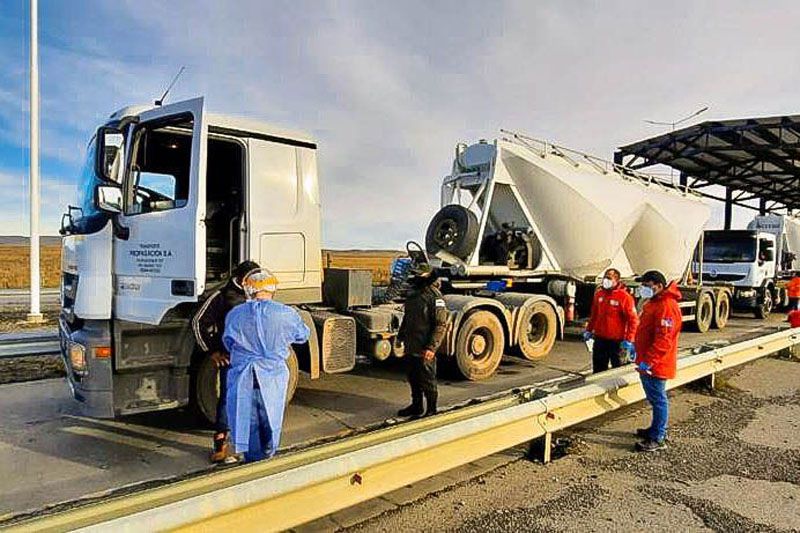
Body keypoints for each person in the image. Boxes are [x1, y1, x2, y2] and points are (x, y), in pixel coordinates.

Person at [222, 268, 310, 463]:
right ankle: (267, 455)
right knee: (270, 416)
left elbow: (228, 342)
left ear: (248, 290)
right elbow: (302, 336)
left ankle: (252, 458)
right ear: (273, 289)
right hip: (272, 375)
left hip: (243, 373)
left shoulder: (235, 314)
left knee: (246, 417)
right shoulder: (287, 313)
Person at [192, 259, 260, 463]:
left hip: (254, 358)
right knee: (228, 400)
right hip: (231, 358)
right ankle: (221, 444)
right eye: (252, 278)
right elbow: (198, 322)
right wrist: (213, 351)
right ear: (241, 278)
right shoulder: (222, 296)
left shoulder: (258, 296)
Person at [633, 270, 682, 452]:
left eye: (647, 286)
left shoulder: (666, 306)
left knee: (659, 400)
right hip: (649, 361)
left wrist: (649, 361)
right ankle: (655, 430)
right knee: (655, 399)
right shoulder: (655, 303)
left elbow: (664, 340)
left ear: (659, 286)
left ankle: (658, 437)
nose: (644, 289)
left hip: (656, 364)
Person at [396, 263, 450, 418]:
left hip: (424, 346)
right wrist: (400, 337)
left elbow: (440, 325)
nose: (416, 276)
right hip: (411, 344)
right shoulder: (413, 293)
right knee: (413, 378)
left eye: (420, 274)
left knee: (427, 379)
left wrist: (431, 348)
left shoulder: (435, 296)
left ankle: (431, 409)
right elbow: (407, 318)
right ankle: (416, 406)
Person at [583, 268, 640, 373]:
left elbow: (633, 320)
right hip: (600, 339)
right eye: (605, 277)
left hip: (617, 341)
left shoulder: (624, 297)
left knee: (618, 370)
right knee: (598, 370)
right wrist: (589, 330)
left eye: (609, 278)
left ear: (616, 280)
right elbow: (594, 315)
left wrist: (629, 340)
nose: (606, 280)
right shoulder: (599, 295)